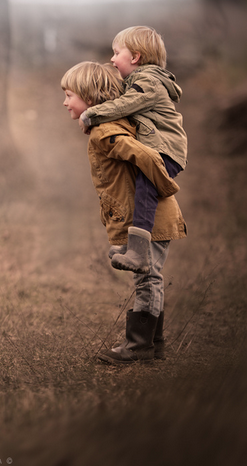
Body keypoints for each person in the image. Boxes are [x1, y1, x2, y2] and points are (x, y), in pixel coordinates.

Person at [61, 61, 187, 364]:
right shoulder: (106, 129)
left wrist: (163, 183)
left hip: (150, 219)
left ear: (90, 98)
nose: (65, 102)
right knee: (149, 277)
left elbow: (145, 155)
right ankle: (152, 345)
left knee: (147, 279)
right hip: (145, 218)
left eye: (69, 95)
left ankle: (139, 346)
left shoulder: (105, 132)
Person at [78, 26, 187, 275]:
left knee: (146, 188)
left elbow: (126, 104)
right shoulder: (138, 82)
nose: (112, 59)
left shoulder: (147, 82)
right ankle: (129, 243)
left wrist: (91, 115)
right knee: (135, 188)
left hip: (165, 150)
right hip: (158, 146)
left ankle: (138, 252)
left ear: (135, 57)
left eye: (117, 53)